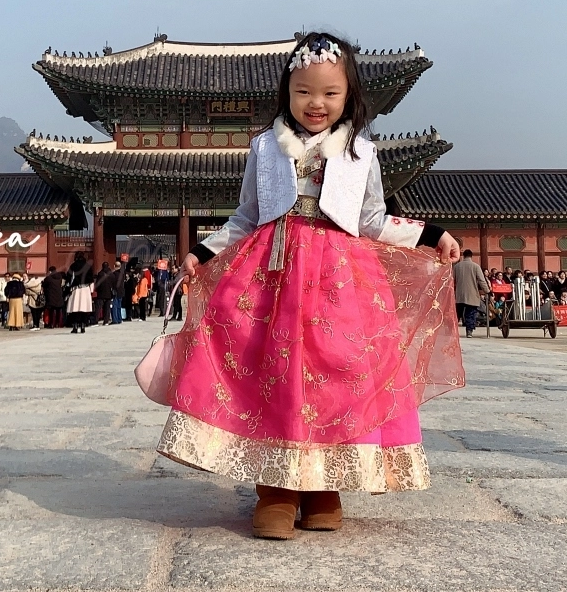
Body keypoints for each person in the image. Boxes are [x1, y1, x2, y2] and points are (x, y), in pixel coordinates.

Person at [165, 32, 462, 540]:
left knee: (337, 374)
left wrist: (430, 235)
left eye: (329, 93)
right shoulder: (264, 147)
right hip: (272, 274)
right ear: (287, 92)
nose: (316, 103)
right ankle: (276, 491)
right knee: (274, 373)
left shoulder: (361, 153)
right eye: (304, 92)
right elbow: (247, 216)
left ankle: (326, 487)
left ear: (349, 95)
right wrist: (199, 252)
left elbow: (370, 218)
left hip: (341, 279)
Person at [453, 249, 489, 338]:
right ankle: (469, 331)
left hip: (459, 294)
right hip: (472, 293)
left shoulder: (457, 266)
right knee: (471, 313)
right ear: (471, 256)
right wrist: (487, 290)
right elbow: (481, 280)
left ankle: (453, 330)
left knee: (457, 314)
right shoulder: (476, 266)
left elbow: (452, 280)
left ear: (463, 256)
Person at [65, 253, 94, 334]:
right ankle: (83, 326)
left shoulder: (73, 265)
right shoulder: (88, 266)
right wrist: (91, 290)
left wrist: (68, 287)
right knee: (84, 309)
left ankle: (75, 327)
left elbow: (69, 277)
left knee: (75, 309)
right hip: (85, 289)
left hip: (76, 289)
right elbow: (91, 279)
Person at [93, 262, 114, 326]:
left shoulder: (100, 274)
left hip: (101, 293)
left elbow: (97, 284)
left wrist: (97, 289)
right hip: (109, 293)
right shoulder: (111, 274)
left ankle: (96, 321)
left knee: (98, 308)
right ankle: (106, 321)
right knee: (107, 308)